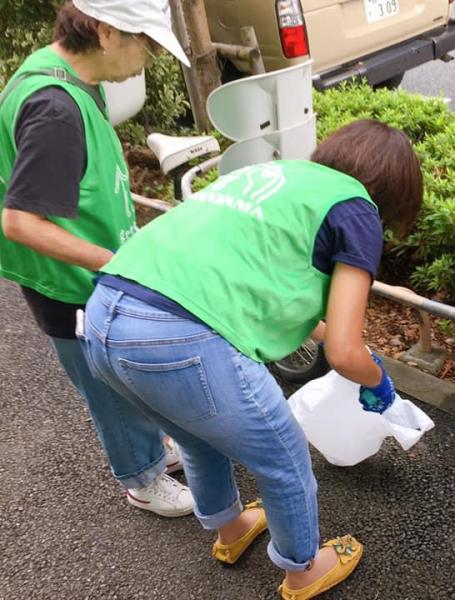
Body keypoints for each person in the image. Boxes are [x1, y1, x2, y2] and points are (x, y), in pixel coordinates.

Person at [78, 119, 423, 598]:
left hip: (102, 320)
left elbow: (292, 307)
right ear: (392, 191)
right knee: (283, 458)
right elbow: (344, 350)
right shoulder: (355, 208)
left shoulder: (268, 178)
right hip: (178, 337)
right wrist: (375, 378)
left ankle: (231, 530)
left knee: (197, 438)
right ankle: (303, 570)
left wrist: (352, 354)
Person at [0, 0, 195, 516]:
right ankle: (142, 478)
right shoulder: (55, 108)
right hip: (70, 281)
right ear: (107, 31)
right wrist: (113, 260)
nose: (150, 58)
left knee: (122, 371)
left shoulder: (64, 74)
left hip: (89, 269)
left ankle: (151, 449)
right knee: (103, 382)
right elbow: (19, 221)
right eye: (147, 43)